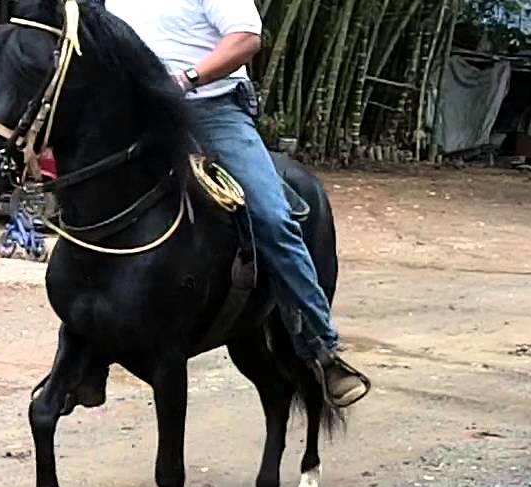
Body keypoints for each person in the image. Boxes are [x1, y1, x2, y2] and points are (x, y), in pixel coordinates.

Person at [104, 0, 369, 407]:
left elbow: (245, 39)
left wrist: (187, 79)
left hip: (211, 111)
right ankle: (85, 353)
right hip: (137, 116)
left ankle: (321, 345)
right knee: (90, 204)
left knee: (273, 218)